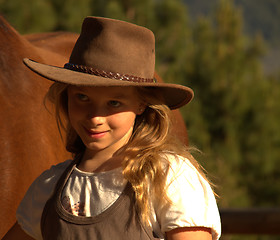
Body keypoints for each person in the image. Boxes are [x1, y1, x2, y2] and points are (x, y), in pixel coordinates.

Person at [3, 16, 221, 240]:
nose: (95, 117)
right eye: (82, 97)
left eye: (114, 103)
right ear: (66, 95)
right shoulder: (49, 188)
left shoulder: (167, 179)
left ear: (141, 104)